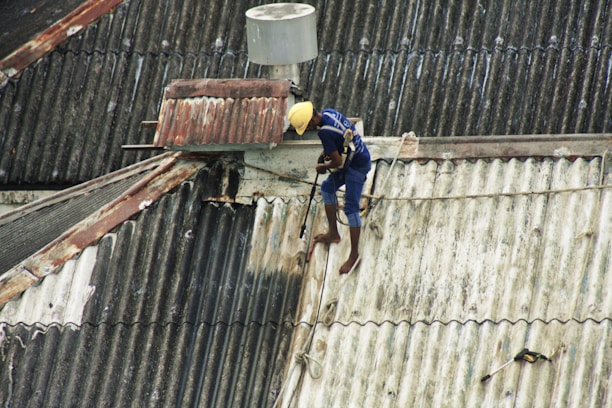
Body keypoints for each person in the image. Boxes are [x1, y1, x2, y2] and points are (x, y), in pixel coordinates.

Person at [288, 101, 371, 274]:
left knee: (351, 209)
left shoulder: (324, 132)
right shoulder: (328, 113)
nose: (309, 129)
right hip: (354, 156)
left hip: (357, 165)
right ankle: (333, 233)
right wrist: (328, 151)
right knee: (327, 189)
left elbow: (337, 162)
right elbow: (340, 139)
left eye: (307, 126)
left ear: (311, 120)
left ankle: (354, 254)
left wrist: (323, 167)